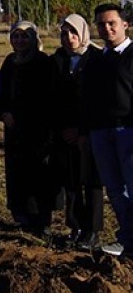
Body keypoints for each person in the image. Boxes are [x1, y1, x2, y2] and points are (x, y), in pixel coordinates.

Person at [0, 21, 59, 237]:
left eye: (25, 36)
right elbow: (1, 93)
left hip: (37, 129)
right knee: (17, 173)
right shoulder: (10, 61)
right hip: (13, 129)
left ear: (34, 38)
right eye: (16, 36)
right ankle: (21, 216)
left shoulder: (44, 62)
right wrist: (3, 112)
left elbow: (49, 96)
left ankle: (41, 221)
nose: (20, 40)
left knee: (38, 174)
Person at [81, 3, 133, 256]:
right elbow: (87, 98)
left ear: (125, 24)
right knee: (114, 188)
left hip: (129, 131)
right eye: (101, 24)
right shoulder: (95, 60)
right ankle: (127, 238)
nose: (107, 28)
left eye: (112, 23)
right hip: (101, 132)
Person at [53, 14, 103, 250]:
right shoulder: (58, 59)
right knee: (71, 181)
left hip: (90, 131)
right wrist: (64, 128)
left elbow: (98, 99)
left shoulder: (96, 58)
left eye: (74, 32)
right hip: (64, 131)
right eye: (64, 33)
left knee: (91, 181)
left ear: (83, 32)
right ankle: (75, 227)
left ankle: (92, 231)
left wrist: (82, 130)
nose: (69, 38)